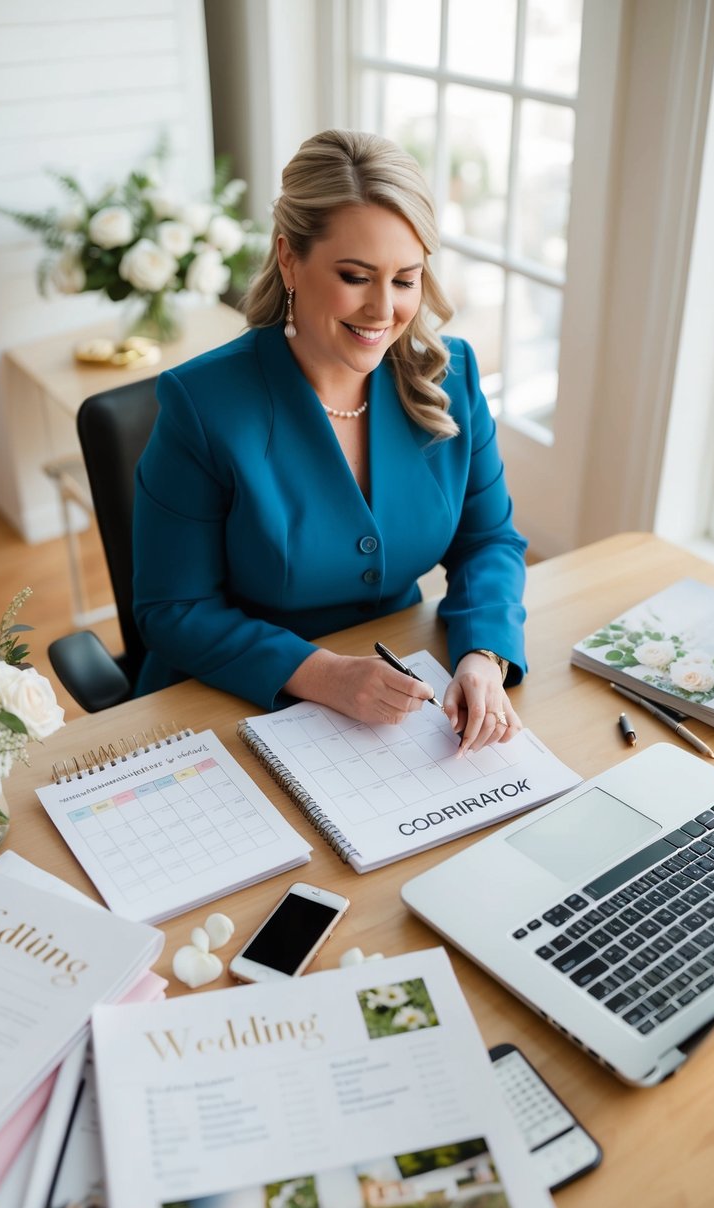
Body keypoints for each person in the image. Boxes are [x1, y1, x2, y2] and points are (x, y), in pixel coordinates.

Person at [133, 128, 528, 755]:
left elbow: (488, 540)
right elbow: (172, 608)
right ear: (290, 258)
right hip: (232, 704)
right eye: (355, 276)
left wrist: (483, 653)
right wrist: (322, 674)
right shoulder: (202, 404)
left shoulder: (451, 373)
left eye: (405, 280)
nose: (382, 310)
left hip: (405, 701)